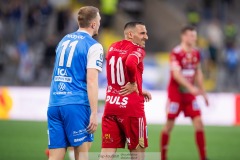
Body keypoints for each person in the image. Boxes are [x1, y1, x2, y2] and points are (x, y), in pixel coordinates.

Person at [47, 6, 103, 160]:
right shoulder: (94, 46)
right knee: (82, 155)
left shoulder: (64, 39)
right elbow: (91, 81)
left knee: (54, 157)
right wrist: (94, 112)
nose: (99, 23)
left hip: (55, 103)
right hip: (76, 104)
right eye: (98, 20)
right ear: (92, 24)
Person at [99, 22, 151, 160]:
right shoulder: (138, 50)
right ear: (130, 34)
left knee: (107, 152)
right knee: (137, 151)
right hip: (131, 108)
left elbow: (118, 73)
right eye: (142, 33)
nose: (146, 37)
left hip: (111, 105)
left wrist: (139, 89)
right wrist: (134, 84)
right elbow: (129, 63)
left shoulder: (112, 47)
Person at [160, 26, 209, 160]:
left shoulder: (196, 53)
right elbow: (176, 75)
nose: (194, 38)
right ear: (184, 37)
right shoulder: (176, 53)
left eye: (195, 36)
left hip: (189, 96)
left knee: (199, 123)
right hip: (175, 94)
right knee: (169, 125)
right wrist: (191, 87)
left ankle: (203, 157)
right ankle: (163, 157)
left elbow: (198, 72)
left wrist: (203, 93)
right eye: (191, 36)